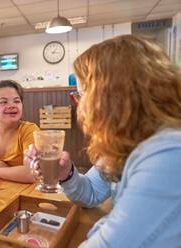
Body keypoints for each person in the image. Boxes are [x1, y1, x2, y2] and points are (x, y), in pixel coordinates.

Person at [25, 35, 181, 247]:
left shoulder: (168, 155)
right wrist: (67, 174)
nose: (80, 108)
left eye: (81, 95)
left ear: (111, 96)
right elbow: (91, 192)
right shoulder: (128, 141)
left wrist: (103, 225)